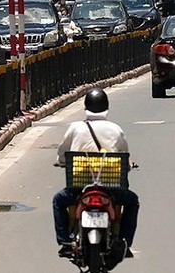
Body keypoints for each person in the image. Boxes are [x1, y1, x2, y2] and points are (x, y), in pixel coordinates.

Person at [52, 88, 139, 259]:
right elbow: (124, 154)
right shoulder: (116, 129)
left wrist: (61, 161)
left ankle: (65, 243)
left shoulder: (75, 127)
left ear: (85, 106)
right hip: (112, 187)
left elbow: (62, 153)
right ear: (107, 106)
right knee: (132, 202)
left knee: (58, 201)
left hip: (79, 186)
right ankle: (124, 241)